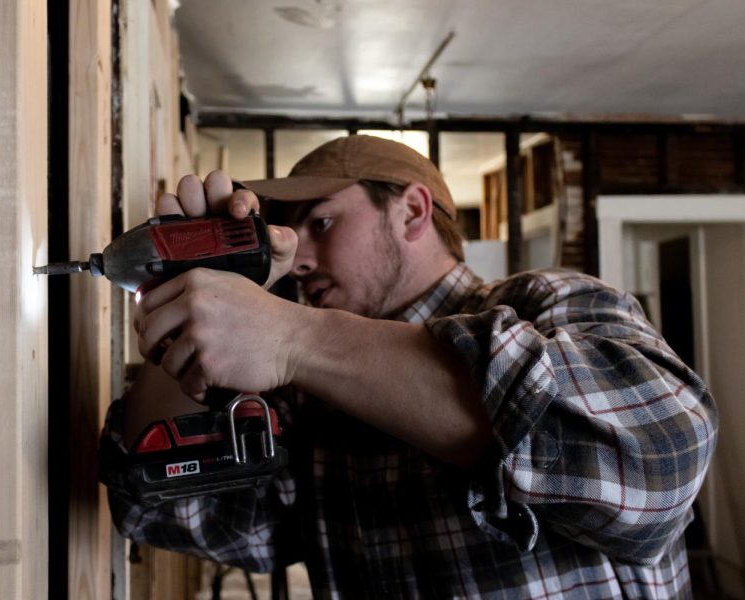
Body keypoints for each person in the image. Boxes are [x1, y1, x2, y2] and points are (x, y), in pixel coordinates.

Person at [100, 134, 718, 598]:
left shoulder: (549, 303)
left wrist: (298, 339)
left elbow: (660, 466)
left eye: (321, 222)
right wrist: (187, 291)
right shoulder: (309, 399)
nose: (302, 259)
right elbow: (170, 512)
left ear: (413, 212)